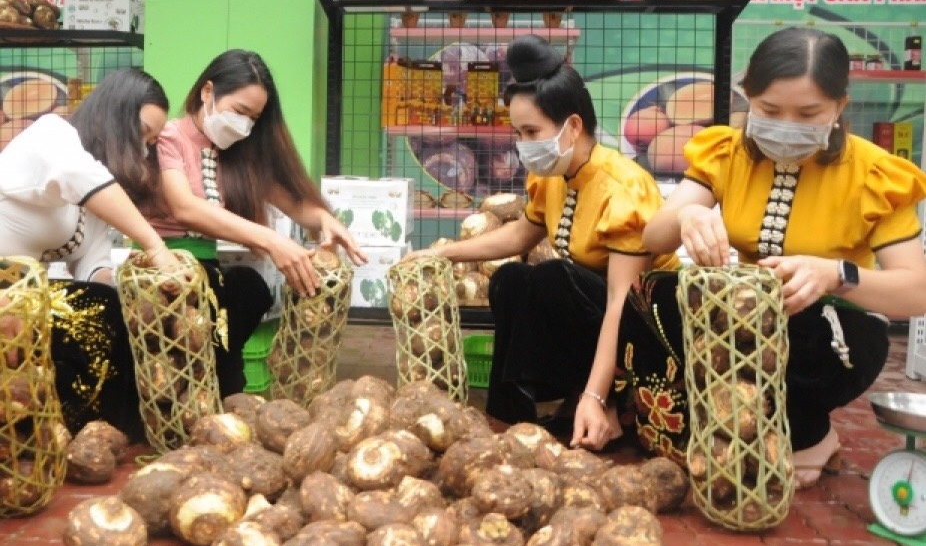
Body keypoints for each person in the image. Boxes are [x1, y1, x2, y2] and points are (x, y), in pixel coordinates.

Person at [637, 26, 926, 486]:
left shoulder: (873, 174)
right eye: (770, 110)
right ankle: (731, 422)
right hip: (741, 324)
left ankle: (808, 432)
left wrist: (834, 274)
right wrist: (687, 216)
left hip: (825, 328)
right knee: (656, 294)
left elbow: (916, 292)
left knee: (810, 332)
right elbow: (653, 237)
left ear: (839, 108)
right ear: (747, 99)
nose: (786, 125)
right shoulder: (726, 153)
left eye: (808, 113)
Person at [407, 35, 680, 451]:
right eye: (519, 132)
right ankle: (510, 416)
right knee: (511, 280)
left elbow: (621, 302)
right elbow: (521, 233)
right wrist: (442, 252)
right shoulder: (554, 174)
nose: (523, 143)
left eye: (531, 131)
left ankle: (607, 405)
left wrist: (595, 396)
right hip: (598, 311)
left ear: (571, 126)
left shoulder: (622, 187)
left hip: (646, 326)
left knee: (553, 277)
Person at [148, 49, 367, 398]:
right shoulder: (170, 137)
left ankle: (217, 380)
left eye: (254, 118)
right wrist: (270, 241)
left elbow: (295, 204)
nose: (245, 125)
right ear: (208, 92)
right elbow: (185, 208)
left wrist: (325, 219)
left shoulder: (235, 153)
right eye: (240, 112)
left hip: (206, 275)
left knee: (250, 289)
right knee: (213, 353)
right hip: (163, 271)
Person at [0, 68, 178, 441]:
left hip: (24, 303)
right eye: (143, 133)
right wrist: (156, 246)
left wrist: (125, 294)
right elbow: (77, 175)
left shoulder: (99, 187)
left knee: (110, 307)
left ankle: (102, 440)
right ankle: (78, 433)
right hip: (9, 302)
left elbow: (92, 263)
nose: (144, 150)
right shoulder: (52, 135)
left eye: (152, 142)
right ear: (114, 115)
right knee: (95, 312)